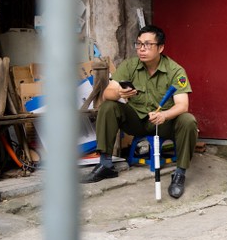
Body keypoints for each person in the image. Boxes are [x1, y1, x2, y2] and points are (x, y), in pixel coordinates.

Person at [82, 25, 199, 199]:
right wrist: (119, 93)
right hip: (136, 121)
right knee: (109, 106)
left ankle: (180, 173)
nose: (142, 49)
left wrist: (164, 115)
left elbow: (182, 105)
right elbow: (107, 93)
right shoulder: (129, 66)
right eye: (138, 44)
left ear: (160, 48)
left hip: (163, 123)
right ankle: (105, 165)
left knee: (188, 120)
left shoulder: (175, 70)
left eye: (147, 44)